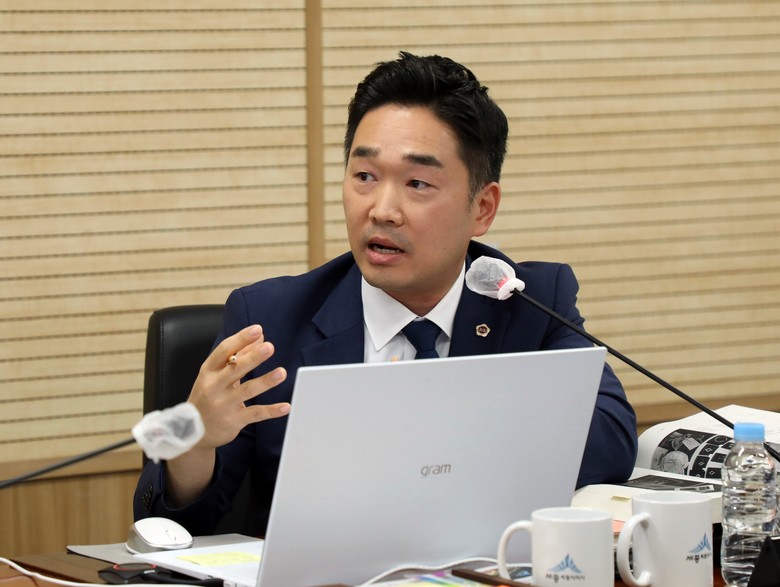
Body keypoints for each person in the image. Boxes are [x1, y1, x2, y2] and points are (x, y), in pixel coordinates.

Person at [134, 51, 638, 536]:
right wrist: (196, 442)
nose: (381, 210)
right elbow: (175, 525)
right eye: (365, 176)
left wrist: (438, 422)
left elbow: (610, 442)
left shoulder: (528, 302)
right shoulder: (271, 321)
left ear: (482, 208)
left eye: (417, 183)